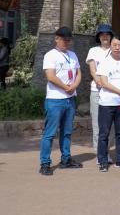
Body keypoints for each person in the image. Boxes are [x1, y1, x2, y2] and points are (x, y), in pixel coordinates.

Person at [39, 27, 83, 175]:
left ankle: (66, 159)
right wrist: (66, 87)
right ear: (56, 39)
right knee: (50, 133)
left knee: (67, 132)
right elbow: (50, 76)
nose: (66, 42)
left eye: (68, 40)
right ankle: (45, 163)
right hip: (55, 99)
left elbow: (78, 73)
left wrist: (74, 86)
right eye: (64, 39)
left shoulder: (73, 55)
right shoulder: (50, 55)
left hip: (70, 99)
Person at [96, 35, 120, 172]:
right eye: (114, 45)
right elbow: (104, 83)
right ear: (110, 46)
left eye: (119, 45)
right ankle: (102, 161)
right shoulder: (104, 62)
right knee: (104, 134)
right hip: (106, 103)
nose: (117, 47)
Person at [86, 24, 117, 158]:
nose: (105, 37)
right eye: (102, 34)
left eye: (107, 34)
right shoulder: (93, 51)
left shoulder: (115, 50)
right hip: (97, 91)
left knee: (111, 125)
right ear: (98, 37)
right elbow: (93, 71)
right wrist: (101, 83)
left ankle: (106, 150)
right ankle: (100, 153)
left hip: (112, 93)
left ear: (111, 36)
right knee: (97, 124)